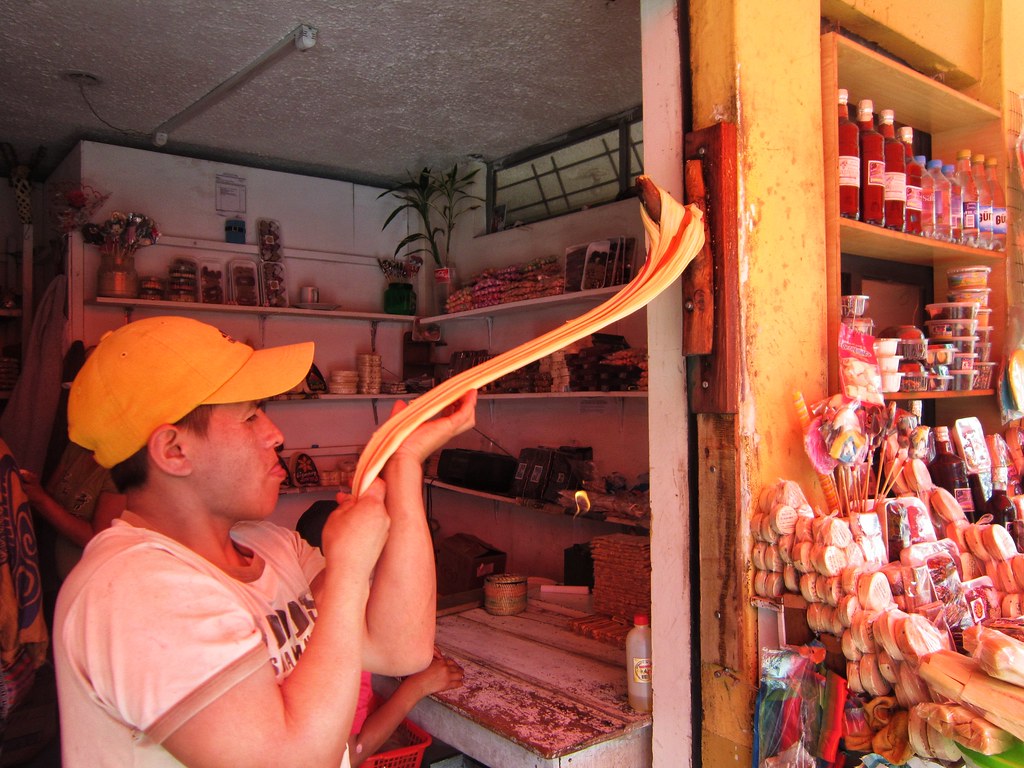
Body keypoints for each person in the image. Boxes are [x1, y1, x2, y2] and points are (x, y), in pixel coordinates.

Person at [52, 315, 477, 767]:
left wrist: (406, 462)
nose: (276, 434)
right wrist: (349, 569)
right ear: (174, 451)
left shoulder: (271, 549)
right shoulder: (135, 591)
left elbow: (400, 648)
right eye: (251, 415)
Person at [19, 440, 125, 582]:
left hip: (84, 580)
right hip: (47, 559)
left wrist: (41, 500)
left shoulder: (122, 469)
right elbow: (51, 494)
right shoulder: (79, 445)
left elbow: (96, 537)